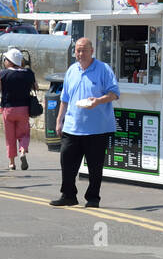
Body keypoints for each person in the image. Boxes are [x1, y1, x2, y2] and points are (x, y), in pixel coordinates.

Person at [51, 36, 120, 208]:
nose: (81, 53)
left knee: (95, 167)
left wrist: (98, 100)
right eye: (78, 50)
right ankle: (68, 195)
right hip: (72, 126)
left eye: (84, 50)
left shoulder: (103, 69)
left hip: (97, 129)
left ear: (92, 51)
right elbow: (65, 99)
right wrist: (59, 120)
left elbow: (114, 94)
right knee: (66, 163)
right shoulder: (72, 70)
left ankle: (93, 198)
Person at [0, 47, 37, 171]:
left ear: (10, 61)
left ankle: (11, 163)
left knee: (9, 136)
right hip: (23, 109)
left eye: (6, 59)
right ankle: (22, 151)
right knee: (24, 133)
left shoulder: (3, 74)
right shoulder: (28, 73)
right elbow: (36, 87)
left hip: (8, 109)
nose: (5, 61)